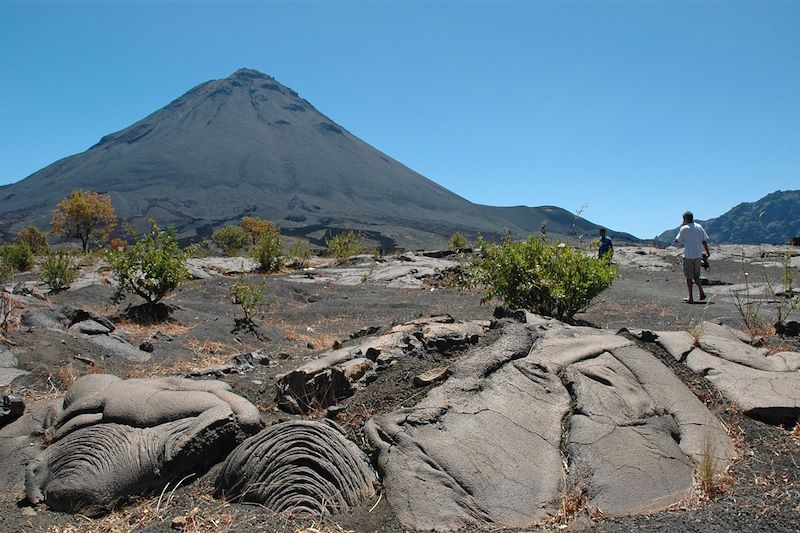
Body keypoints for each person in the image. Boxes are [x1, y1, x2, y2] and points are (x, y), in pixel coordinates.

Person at [675, 211, 710, 303]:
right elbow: (704, 241)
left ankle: (690, 297)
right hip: (698, 255)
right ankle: (701, 291)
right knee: (696, 276)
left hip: (688, 256)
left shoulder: (684, 228)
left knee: (689, 277)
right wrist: (707, 252)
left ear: (685, 219)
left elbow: (677, 240)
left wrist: (682, 227)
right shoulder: (699, 227)